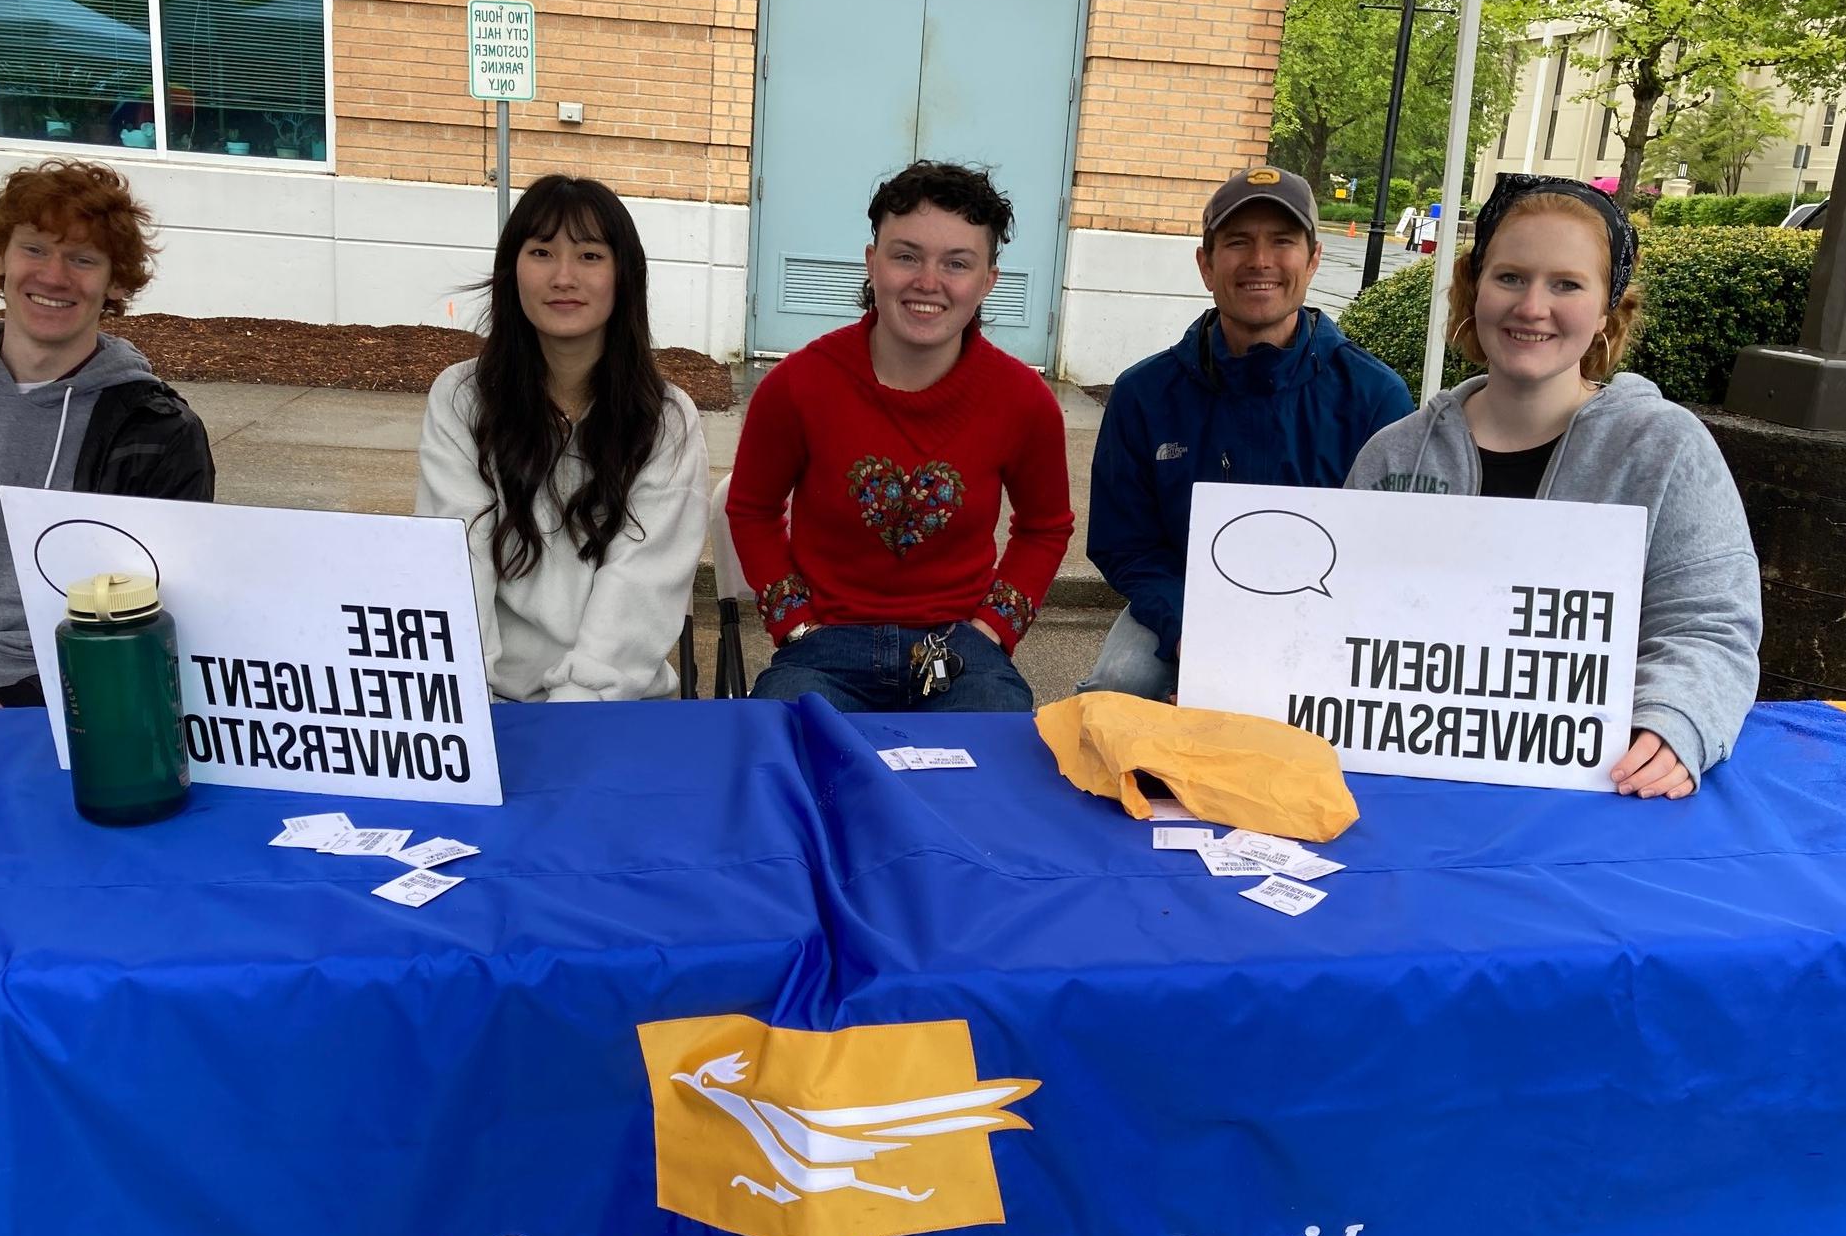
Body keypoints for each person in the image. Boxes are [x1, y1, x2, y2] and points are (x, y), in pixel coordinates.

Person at [1347, 173, 1761, 798]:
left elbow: (1709, 625)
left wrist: (1676, 722)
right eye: (1510, 276)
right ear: (1474, 290)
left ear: (1604, 313)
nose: (1532, 306)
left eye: (1566, 284)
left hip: (1595, 785)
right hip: (1404, 783)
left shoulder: (1665, 447)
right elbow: (1330, 617)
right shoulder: (1395, 452)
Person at [0, 158, 213, 710]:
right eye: (34, 249)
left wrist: (20, 701)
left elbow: (162, 607)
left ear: (115, 280)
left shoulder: (156, 432)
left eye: (82, 259)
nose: (53, 275)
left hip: (60, 702)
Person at [726, 160, 1073, 712]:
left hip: (960, 650)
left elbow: (1045, 525)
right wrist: (794, 626)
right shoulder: (798, 384)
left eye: (956, 263)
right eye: (906, 255)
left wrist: (993, 629)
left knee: (993, 769)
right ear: (872, 263)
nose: (927, 282)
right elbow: (750, 509)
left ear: (988, 281)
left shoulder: (1023, 401)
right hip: (824, 652)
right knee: (785, 759)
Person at [1081, 165, 1415, 700]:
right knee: (1119, 687)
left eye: (1281, 241)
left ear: (1312, 260)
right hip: (1185, 604)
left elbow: (1391, 551)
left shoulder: (1375, 396)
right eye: (1238, 242)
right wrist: (1186, 627)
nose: (1260, 261)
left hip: (1328, 610)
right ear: (1206, 265)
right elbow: (1126, 545)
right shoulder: (1144, 394)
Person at [416, 174, 708, 702]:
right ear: (513, 271)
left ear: (625, 276)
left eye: (591, 256)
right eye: (542, 252)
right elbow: (458, 560)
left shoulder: (666, 420)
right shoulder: (462, 398)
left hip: (617, 704)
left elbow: (640, 588)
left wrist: (573, 708)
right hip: (491, 703)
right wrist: (464, 705)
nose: (564, 277)